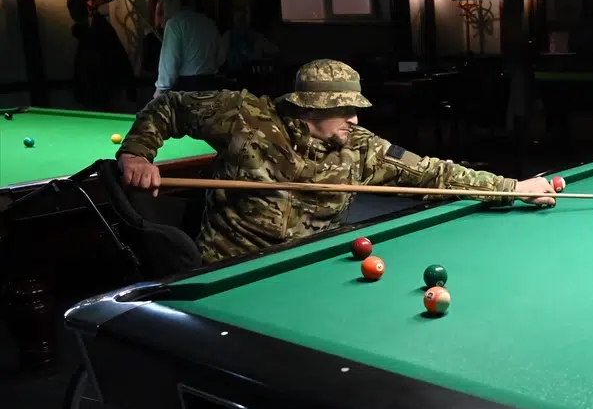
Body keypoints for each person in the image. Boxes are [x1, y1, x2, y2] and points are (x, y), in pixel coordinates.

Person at [116, 59, 556, 265]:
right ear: (310, 109)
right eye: (344, 110)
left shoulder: (360, 147)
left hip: (310, 265)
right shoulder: (244, 116)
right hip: (229, 266)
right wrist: (138, 152)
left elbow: (434, 172)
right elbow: (169, 105)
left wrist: (513, 188)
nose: (354, 119)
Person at [153, 0, 221, 98]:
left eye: (163, 0)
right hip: (211, 85)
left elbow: (169, 65)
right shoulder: (207, 22)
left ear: (175, 0)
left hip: (187, 89)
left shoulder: (174, 24)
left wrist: (159, 91)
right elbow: (220, 56)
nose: (161, 6)